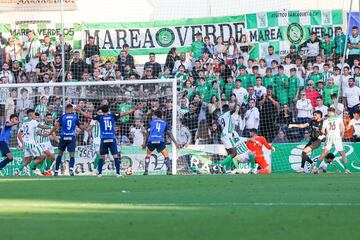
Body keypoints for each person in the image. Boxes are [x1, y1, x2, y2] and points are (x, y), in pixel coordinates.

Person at [91, 104, 140, 177]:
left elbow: (88, 116)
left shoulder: (100, 117)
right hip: (112, 138)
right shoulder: (112, 116)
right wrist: (134, 109)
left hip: (104, 139)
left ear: (102, 111)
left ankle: (100, 173)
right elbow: (124, 113)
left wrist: (80, 111)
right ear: (108, 110)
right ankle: (118, 173)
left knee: (101, 157)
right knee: (115, 156)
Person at [142, 110, 179, 175]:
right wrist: (175, 142)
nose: (153, 116)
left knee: (148, 155)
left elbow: (147, 133)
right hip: (160, 140)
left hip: (151, 140)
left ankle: (146, 170)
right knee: (166, 155)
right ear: (161, 116)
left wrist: (145, 143)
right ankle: (169, 170)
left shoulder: (151, 122)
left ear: (156, 115)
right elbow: (169, 133)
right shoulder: (164, 123)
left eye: (153, 115)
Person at [315, 107, 350, 174]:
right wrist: (342, 132)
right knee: (343, 154)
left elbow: (322, 130)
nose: (327, 113)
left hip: (329, 138)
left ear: (331, 112)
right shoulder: (339, 118)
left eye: (328, 112)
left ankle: (316, 168)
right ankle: (346, 169)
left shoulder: (326, 120)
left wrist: (324, 133)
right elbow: (342, 127)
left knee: (324, 153)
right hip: (337, 138)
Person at [17, 109, 52, 176]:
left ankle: (18, 171)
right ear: (31, 114)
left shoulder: (24, 122)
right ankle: (30, 167)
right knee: (43, 156)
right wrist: (50, 127)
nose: (35, 115)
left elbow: (20, 133)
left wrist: (22, 143)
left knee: (28, 159)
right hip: (32, 144)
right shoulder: (33, 121)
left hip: (26, 143)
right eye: (34, 114)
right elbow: (41, 126)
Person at [53, 104, 82, 176]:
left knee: (60, 154)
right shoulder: (75, 117)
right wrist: (80, 130)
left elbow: (56, 126)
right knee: (72, 155)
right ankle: (71, 169)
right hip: (71, 137)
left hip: (63, 137)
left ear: (66, 109)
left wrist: (53, 132)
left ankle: (56, 171)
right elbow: (80, 127)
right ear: (72, 110)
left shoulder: (62, 117)